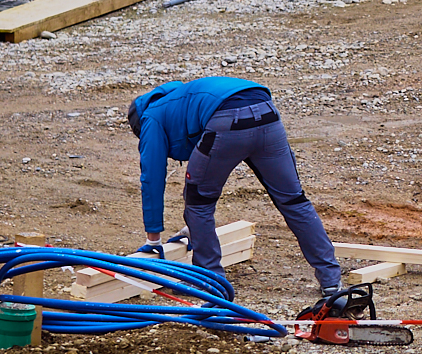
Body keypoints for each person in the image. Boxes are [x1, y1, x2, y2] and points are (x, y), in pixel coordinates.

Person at [127, 76, 343, 304]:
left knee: (198, 203)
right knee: (294, 200)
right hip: (266, 112)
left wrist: (153, 238)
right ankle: (331, 280)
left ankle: (208, 280)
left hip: (226, 119)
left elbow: (151, 178)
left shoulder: (150, 118)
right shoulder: (180, 97)